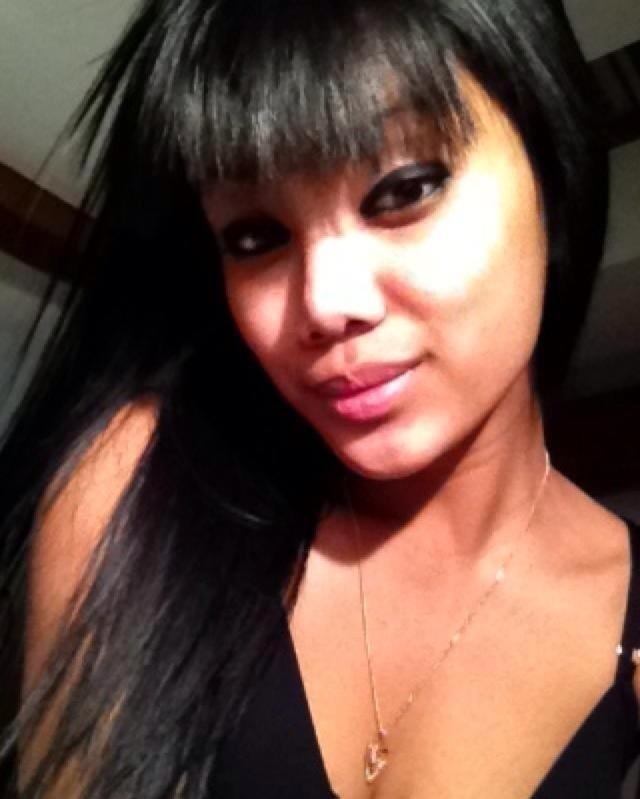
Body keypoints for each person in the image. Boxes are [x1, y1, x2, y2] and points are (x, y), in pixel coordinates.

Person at [0, 0, 637, 796]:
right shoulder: (140, 485)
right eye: (255, 237)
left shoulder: (624, 618)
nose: (326, 303)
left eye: (405, 188)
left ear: (551, 177)